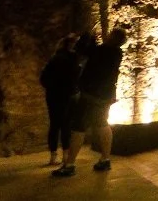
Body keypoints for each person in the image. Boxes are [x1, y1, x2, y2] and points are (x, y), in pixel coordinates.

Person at [53, 28, 127, 177]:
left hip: (90, 96)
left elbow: (83, 51)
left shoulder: (104, 51)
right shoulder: (116, 53)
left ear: (113, 37)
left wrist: (88, 36)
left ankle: (69, 164)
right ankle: (105, 159)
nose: (108, 35)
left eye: (110, 34)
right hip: (104, 96)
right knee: (102, 124)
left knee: (78, 128)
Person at [40, 34, 80, 166]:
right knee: (66, 126)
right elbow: (75, 78)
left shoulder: (54, 58)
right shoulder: (73, 58)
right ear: (72, 45)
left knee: (54, 125)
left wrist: (53, 88)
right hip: (67, 95)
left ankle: (53, 156)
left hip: (53, 96)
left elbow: (43, 79)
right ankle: (66, 156)